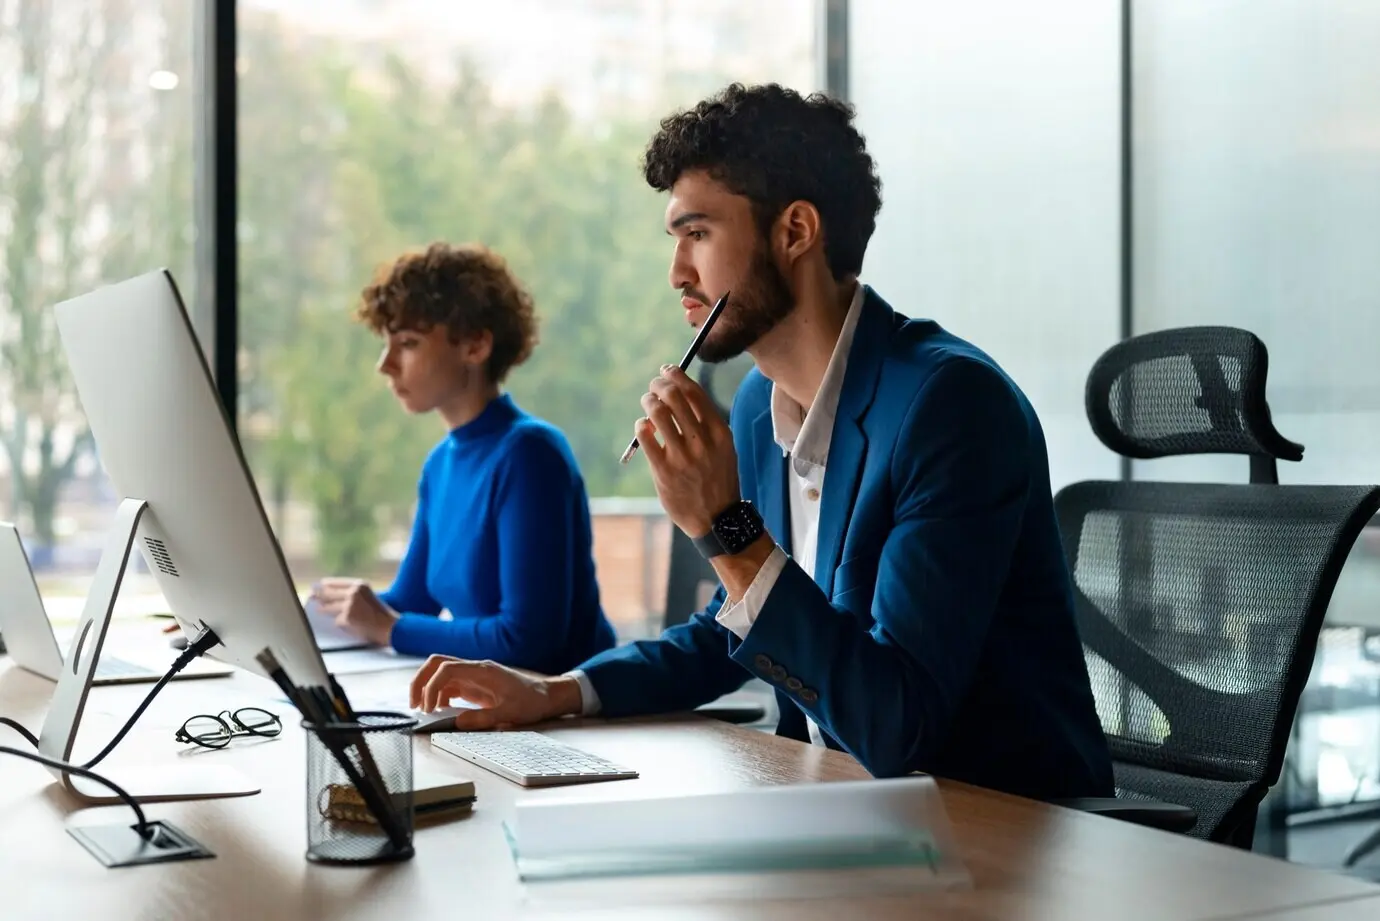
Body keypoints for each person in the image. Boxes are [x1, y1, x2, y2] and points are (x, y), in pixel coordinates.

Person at [409, 85, 1113, 801]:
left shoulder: (950, 406)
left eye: (699, 234)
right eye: (674, 239)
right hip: (837, 805)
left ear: (796, 231)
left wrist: (725, 528)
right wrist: (557, 692)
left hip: (995, 830)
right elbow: (731, 624)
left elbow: (899, 724)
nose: (677, 272)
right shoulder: (755, 405)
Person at [312, 242, 617, 675]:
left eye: (409, 343)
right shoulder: (439, 465)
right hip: (502, 706)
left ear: (475, 345)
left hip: (572, 715)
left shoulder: (531, 455)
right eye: (387, 343)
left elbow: (527, 640)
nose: (386, 365)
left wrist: (391, 629)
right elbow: (408, 604)